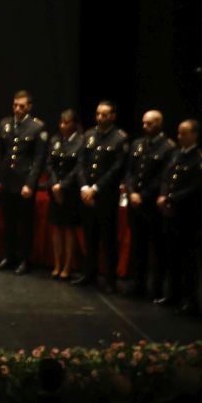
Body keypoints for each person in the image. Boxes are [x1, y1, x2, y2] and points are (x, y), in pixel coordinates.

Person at [0, 90, 48, 273]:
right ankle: (8, 257)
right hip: (7, 180)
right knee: (8, 222)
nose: (17, 109)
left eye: (21, 106)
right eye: (15, 105)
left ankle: (24, 260)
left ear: (29, 107)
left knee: (24, 224)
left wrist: (30, 184)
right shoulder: (5, 124)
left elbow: (39, 160)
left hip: (23, 182)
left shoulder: (36, 127)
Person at [156, 119, 202, 312]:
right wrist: (163, 196)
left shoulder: (200, 158)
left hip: (187, 215)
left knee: (188, 260)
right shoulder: (175, 154)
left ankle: (190, 299)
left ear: (194, 135)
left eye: (184, 133)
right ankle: (172, 294)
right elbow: (165, 178)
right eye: (178, 133)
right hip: (170, 213)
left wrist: (170, 198)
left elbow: (196, 187)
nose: (180, 137)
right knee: (172, 256)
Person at [74, 101, 128, 289]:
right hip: (87, 193)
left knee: (108, 238)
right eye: (98, 114)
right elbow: (80, 163)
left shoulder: (120, 138)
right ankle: (89, 274)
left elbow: (116, 169)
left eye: (104, 114)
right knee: (90, 236)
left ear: (112, 116)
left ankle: (110, 279)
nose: (100, 118)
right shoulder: (88, 135)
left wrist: (95, 188)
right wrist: (83, 187)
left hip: (105, 195)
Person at [123, 109, 175, 298]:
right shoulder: (137, 144)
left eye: (150, 123)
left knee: (157, 247)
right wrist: (131, 192)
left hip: (152, 204)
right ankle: (139, 285)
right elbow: (129, 172)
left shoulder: (168, 147)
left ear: (159, 124)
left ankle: (156, 288)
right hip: (135, 203)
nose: (145, 126)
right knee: (138, 246)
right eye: (144, 123)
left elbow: (162, 177)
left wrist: (142, 195)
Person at [46, 109, 83, 279]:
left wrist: (63, 185)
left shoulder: (81, 141)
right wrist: (54, 184)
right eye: (61, 122)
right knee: (56, 228)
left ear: (74, 124)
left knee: (68, 229)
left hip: (70, 191)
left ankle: (67, 266)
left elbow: (78, 167)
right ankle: (57, 264)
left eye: (66, 122)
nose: (63, 125)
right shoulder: (55, 140)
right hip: (55, 190)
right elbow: (49, 164)